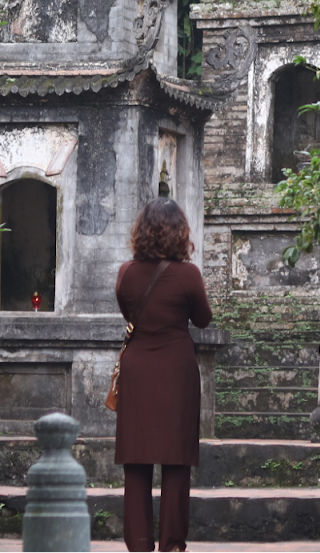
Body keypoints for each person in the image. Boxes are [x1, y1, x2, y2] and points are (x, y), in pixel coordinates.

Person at [117, 198, 213, 553]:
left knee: (136, 463)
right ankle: (172, 545)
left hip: (137, 368)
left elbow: (128, 311)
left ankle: (139, 546)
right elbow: (203, 319)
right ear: (179, 233)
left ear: (141, 231)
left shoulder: (126, 273)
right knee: (176, 462)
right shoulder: (188, 274)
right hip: (176, 370)